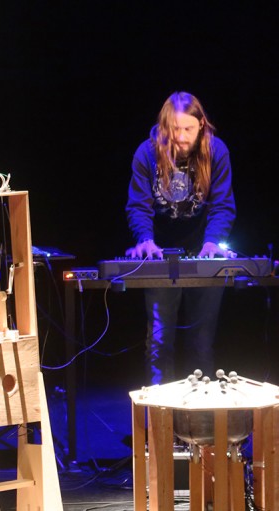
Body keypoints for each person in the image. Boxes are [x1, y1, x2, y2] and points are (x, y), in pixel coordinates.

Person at [125, 91, 236, 385]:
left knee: (201, 343)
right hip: (160, 255)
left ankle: (201, 412)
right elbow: (138, 205)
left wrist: (213, 241)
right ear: (165, 127)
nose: (182, 137)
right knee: (159, 344)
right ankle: (160, 411)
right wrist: (144, 239)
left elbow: (223, 205)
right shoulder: (146, 153)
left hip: (204, 252)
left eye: (189, 129)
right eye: (176, 129)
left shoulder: (217, 151)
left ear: (201, 125)